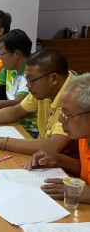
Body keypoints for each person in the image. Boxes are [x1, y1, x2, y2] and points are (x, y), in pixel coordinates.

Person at [0, 48, 75, 155]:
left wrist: (0, 142)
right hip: (41, 153)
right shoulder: (46, 90)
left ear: (53, 78)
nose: (27, 85)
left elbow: (54, 146)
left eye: (31, 79)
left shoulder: (73, 98)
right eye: (27, 79)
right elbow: (17, 110)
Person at [25, 73, 90, 204]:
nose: (60, 119)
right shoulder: (84, 137)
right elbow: (86, 169)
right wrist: (59, 160)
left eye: (67, 114)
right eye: (61, 111)